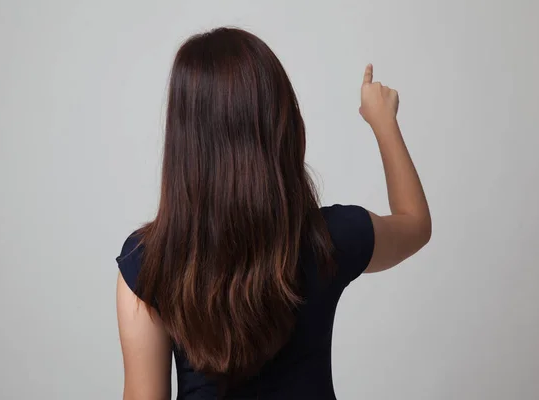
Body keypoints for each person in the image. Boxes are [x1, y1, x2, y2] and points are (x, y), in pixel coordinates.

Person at [116, 27, 431, 400]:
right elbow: (416, 223)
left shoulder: (148, 262)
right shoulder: (328, 238)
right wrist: (384, 122)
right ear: (282, 124)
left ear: (185, 143)